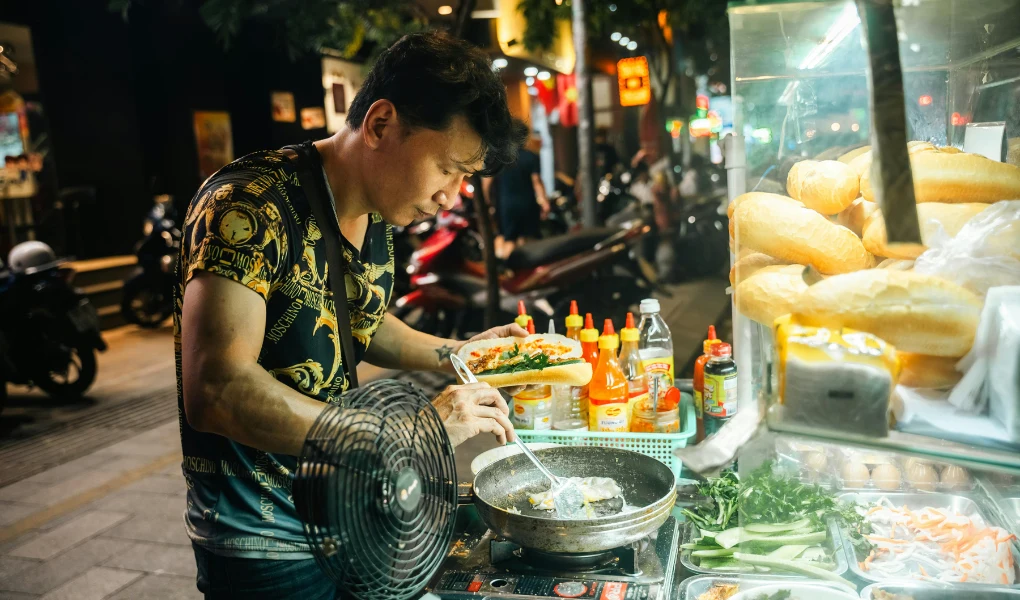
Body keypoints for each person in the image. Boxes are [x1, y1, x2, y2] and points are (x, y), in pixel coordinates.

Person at [175, 32, 528, 599]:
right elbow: (216, 388)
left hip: (345, 512)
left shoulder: (378, 215)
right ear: (381, 124)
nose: (452, 196)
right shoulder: (249, 204)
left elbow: (358, 320)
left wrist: (460, 355)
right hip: (264, 540)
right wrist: (407, 431)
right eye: (447, 168)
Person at [483, 134, 549, 258]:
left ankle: (511, 272)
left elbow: (487, 184)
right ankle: (526, 271)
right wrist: (544, 202)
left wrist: (486, 203)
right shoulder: (531, 157)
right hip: (528, 204)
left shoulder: (497, 158)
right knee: (527, 239)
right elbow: (537, 182)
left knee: (509, 240)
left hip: (506, 205)